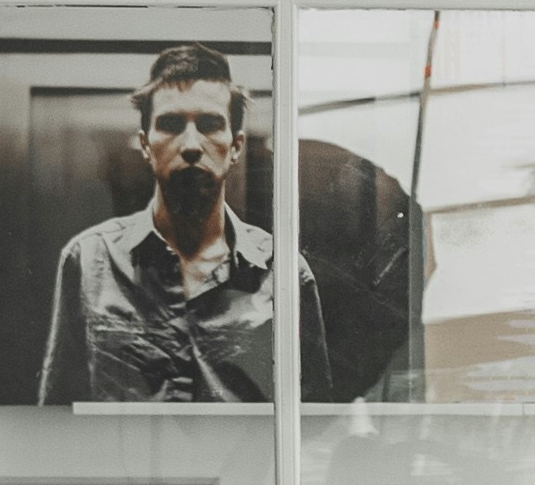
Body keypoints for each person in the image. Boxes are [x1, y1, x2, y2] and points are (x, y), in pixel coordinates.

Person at [36, 43, 331, 405]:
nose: (191, 144)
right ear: (146, 145)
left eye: (209, 125)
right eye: (172, 125)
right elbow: (55, 414)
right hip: (117, 464)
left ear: (235, 146)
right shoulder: (89, 259)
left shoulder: (283, 272)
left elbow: (312, 419)